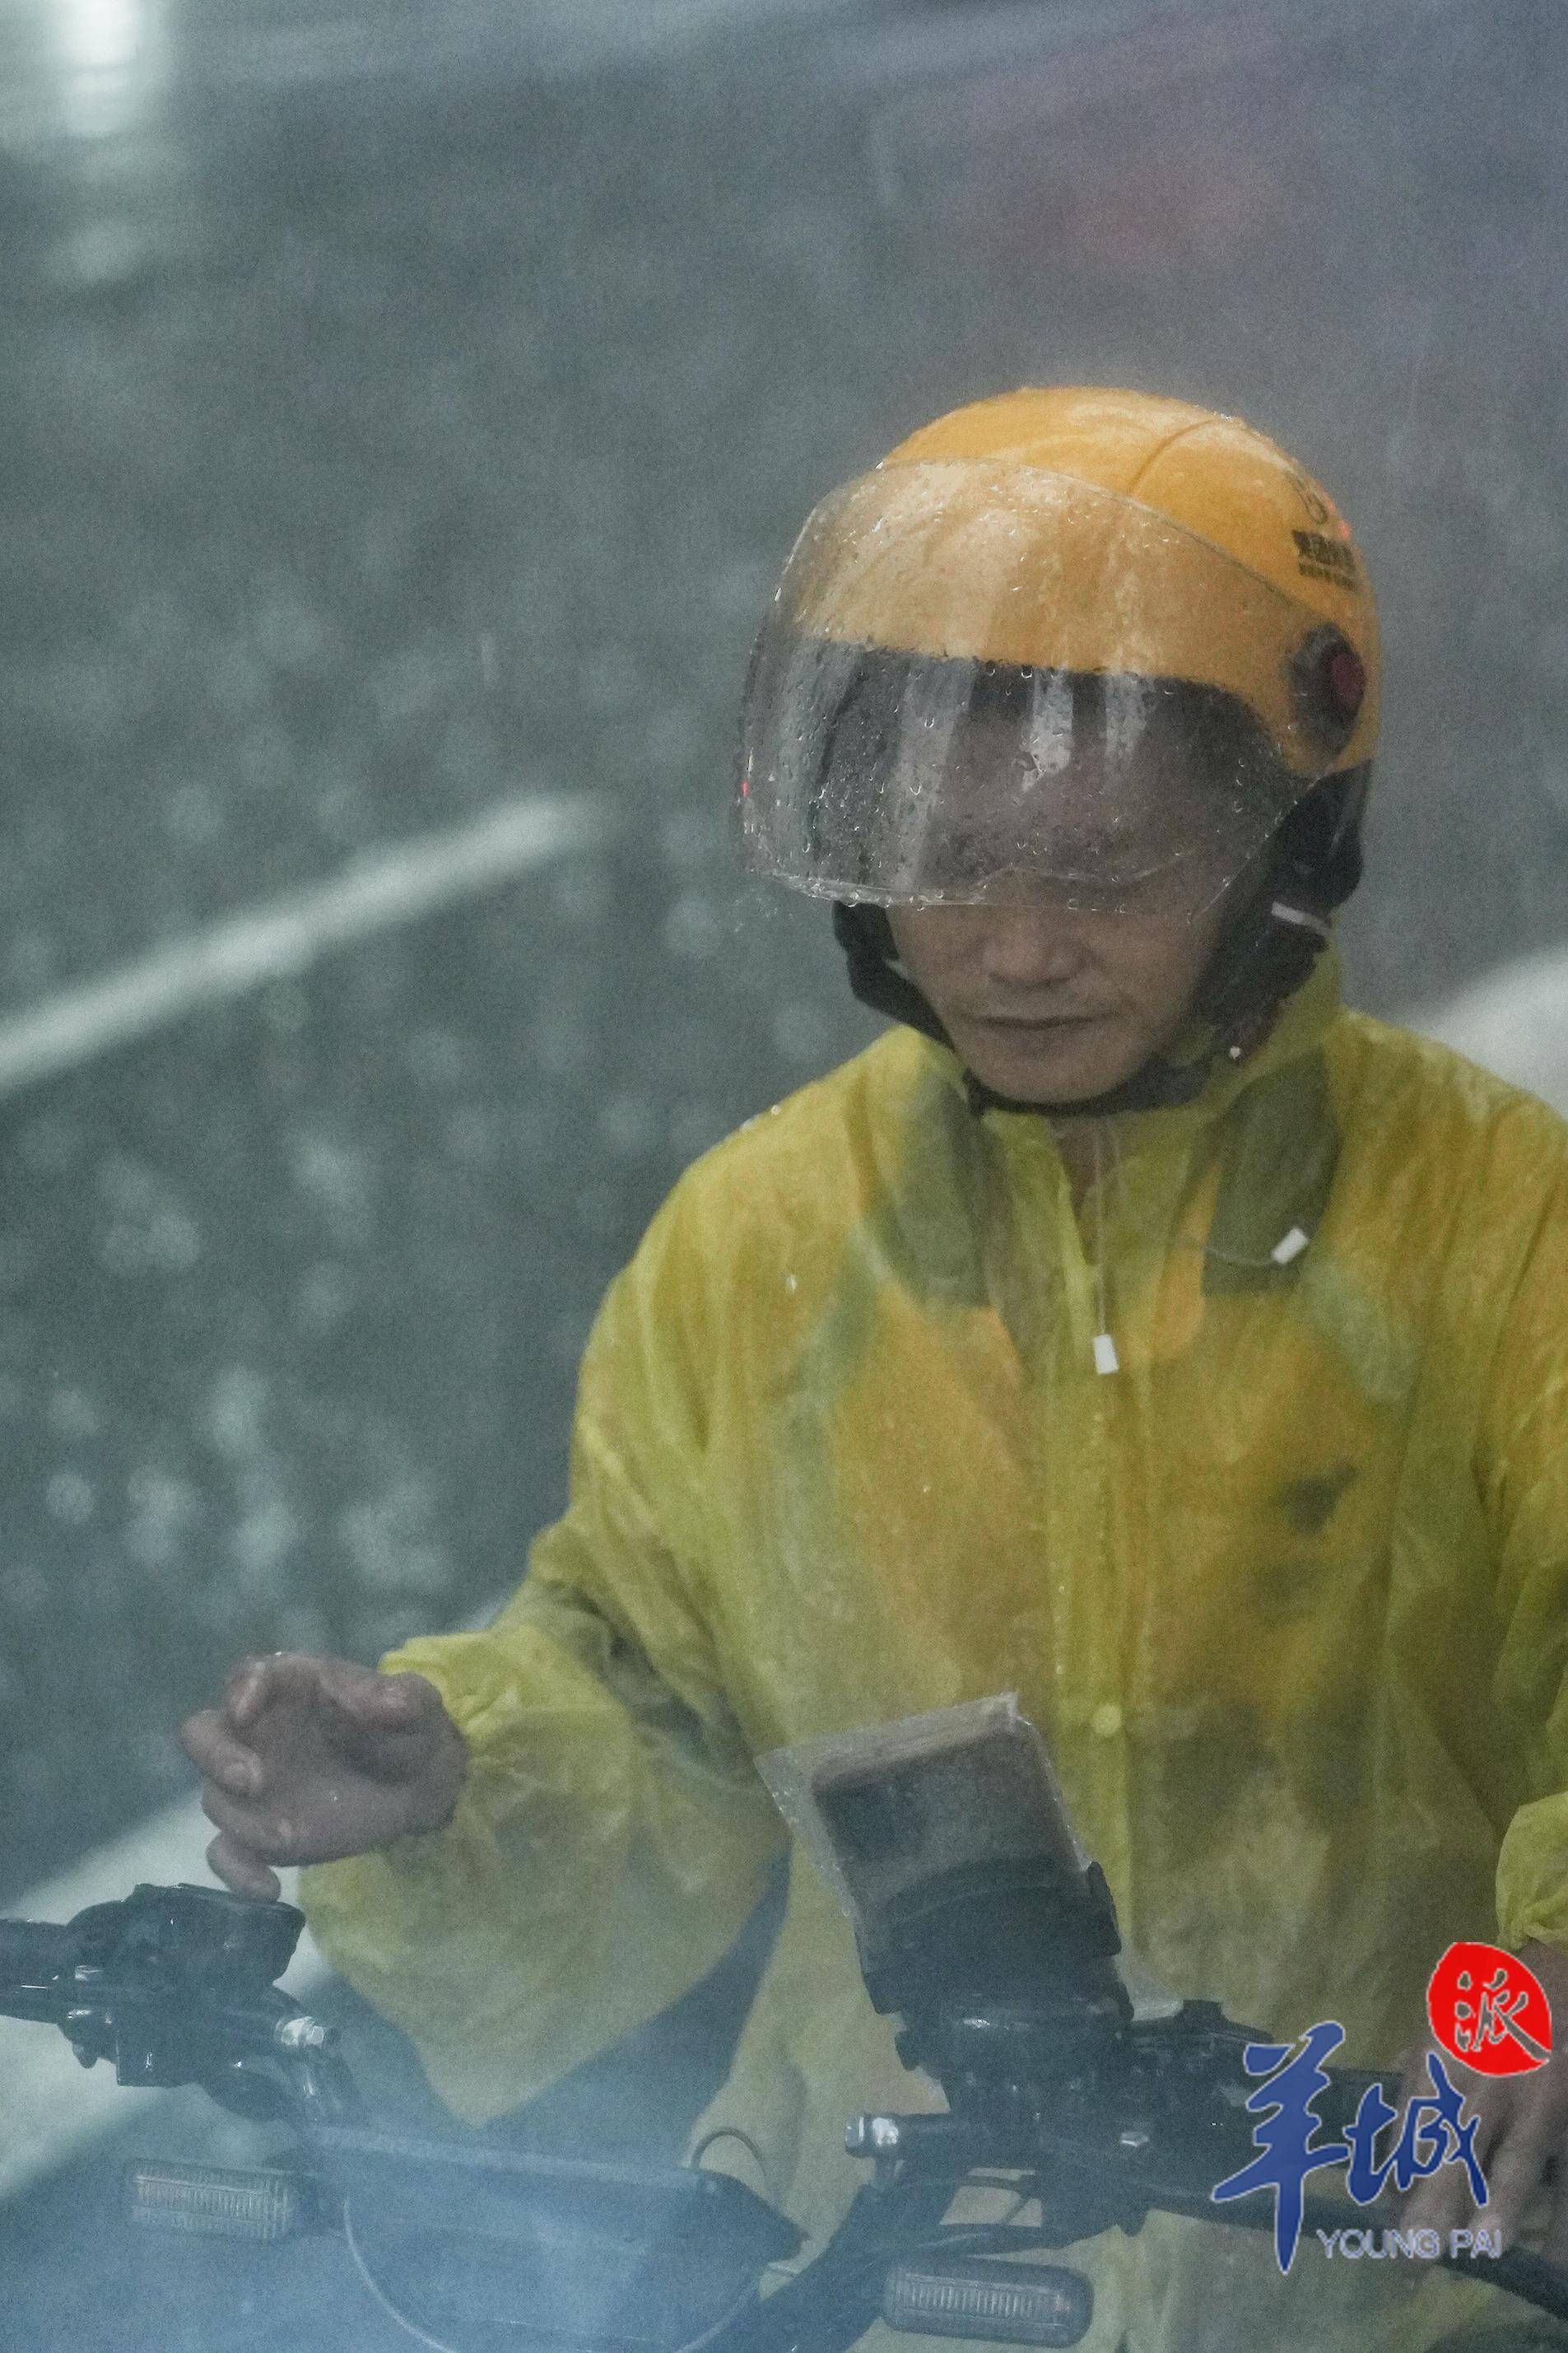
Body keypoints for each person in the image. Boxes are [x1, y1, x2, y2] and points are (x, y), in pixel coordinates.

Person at [181, 388, 1568, 2351]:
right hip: (884, 2270)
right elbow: (654, 1701)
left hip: (1387, 2257)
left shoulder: (1498, 1234)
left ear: (1286, 845)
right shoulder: (761, 1247)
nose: (1008, 948)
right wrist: (451, 1775)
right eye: (941, 854)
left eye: (1102, 873)